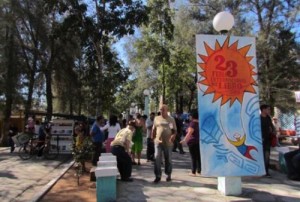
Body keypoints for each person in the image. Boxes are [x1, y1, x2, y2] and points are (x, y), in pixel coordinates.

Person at [152, 104, 176, 183]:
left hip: (168, 143)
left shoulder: (170, 119)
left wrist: (173, 136)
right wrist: (153, 138)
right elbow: (154, 129)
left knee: (168, 159)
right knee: (157, 158)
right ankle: (158, 175)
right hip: (158, 142)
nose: (161, 111)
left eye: (163, 109)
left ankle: (168, 174)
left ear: (167, 110)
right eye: (161, 109)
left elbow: (173, 130)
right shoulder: (156, 119)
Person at [180, 110, 201, 176]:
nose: (189, 117)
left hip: (192, 142)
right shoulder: (199, 123)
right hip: (198, 141)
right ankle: (199, 170)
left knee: (193, 157)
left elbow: (190, 132)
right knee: (198, 157)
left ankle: (193, 172)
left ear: (192, 116)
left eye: (190, 116)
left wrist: (184, 140)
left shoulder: (192, 124)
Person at [260, 104, 275, 177]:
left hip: (267, 140)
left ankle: (266, 172)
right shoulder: (258, 118)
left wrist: (272, 130)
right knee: (261, 156)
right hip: (260, 140)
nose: (269, 110)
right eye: (268, 109)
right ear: (263, 110)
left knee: (267, 156)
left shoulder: (268, 118)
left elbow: (271, 126)